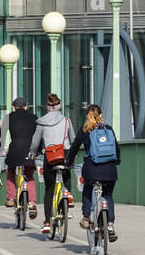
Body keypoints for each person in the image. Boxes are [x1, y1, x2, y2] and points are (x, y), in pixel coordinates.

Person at [71, 104, 121, 241]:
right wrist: (117, 161)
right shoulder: (108, 129)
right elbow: (116, 149)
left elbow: (74, 148)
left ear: (87, 115)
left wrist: (68, 162)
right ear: (100, 115)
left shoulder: (84, 130)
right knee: (108, 195)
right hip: (110, 170)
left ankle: (86, 217)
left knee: (87, 189)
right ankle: (110, 224)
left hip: (92, 170)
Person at [29, 92, 74, 235]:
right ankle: (67, 192)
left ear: (47, 107)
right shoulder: (66, 120)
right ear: (59, 106)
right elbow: (72, 139)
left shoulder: (42, 122)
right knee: (66, 176)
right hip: (64, 153)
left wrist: (32, 153)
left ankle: (47, 222)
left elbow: (36, 142)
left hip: (50, 155)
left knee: (49, 189)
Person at [1, 97, 38, 217]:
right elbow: (38, 135)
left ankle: (11, 198)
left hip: (15, 149)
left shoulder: (8, 117)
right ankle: (32, 202)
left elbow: (2, 135)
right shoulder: (34, 117)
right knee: (29, 176)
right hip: (29, 151)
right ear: (26, 107)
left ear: (13, 107)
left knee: (11, 171)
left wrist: (0, 148)